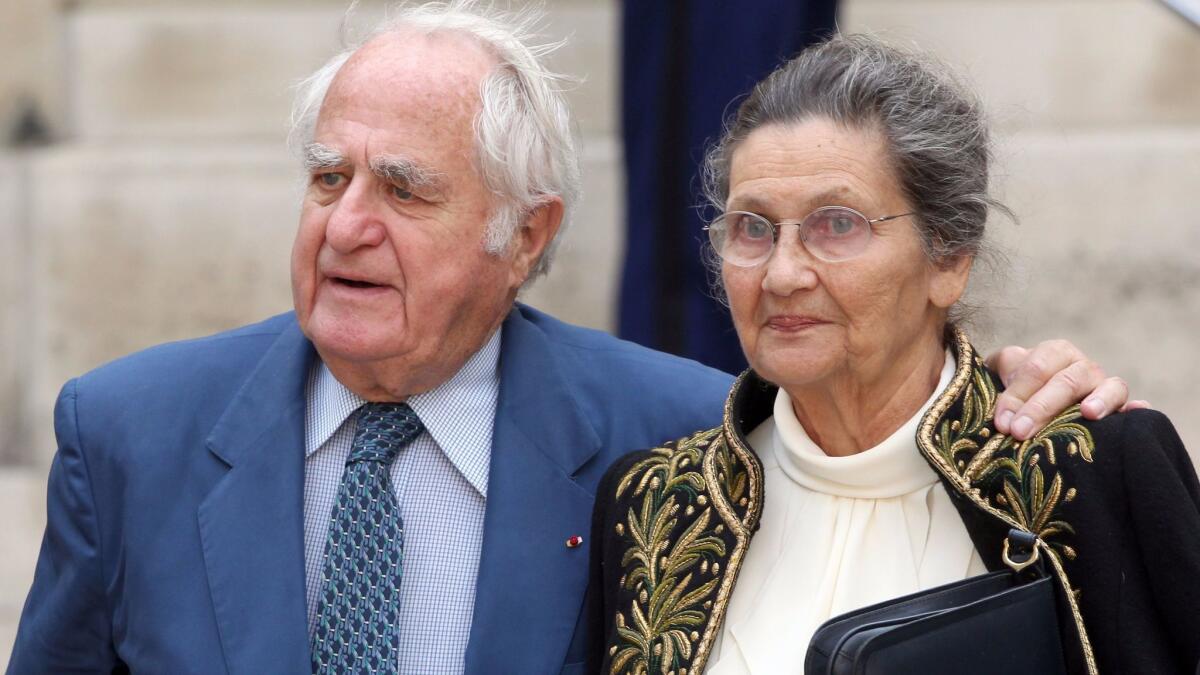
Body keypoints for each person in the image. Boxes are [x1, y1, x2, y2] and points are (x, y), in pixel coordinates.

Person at [8, 5, 1137, 674]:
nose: (345, 225)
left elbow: (876, 426)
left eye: (403, 190)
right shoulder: (127, 434)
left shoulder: (681, 441)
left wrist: (1019, 389)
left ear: (524, 233)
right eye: (325, 177)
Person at [590, 34, 1200, 675]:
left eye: (837, 224)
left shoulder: (1086, 474)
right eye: (753, 227)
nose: (783, 273)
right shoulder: (656, 503)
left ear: (950, 259)